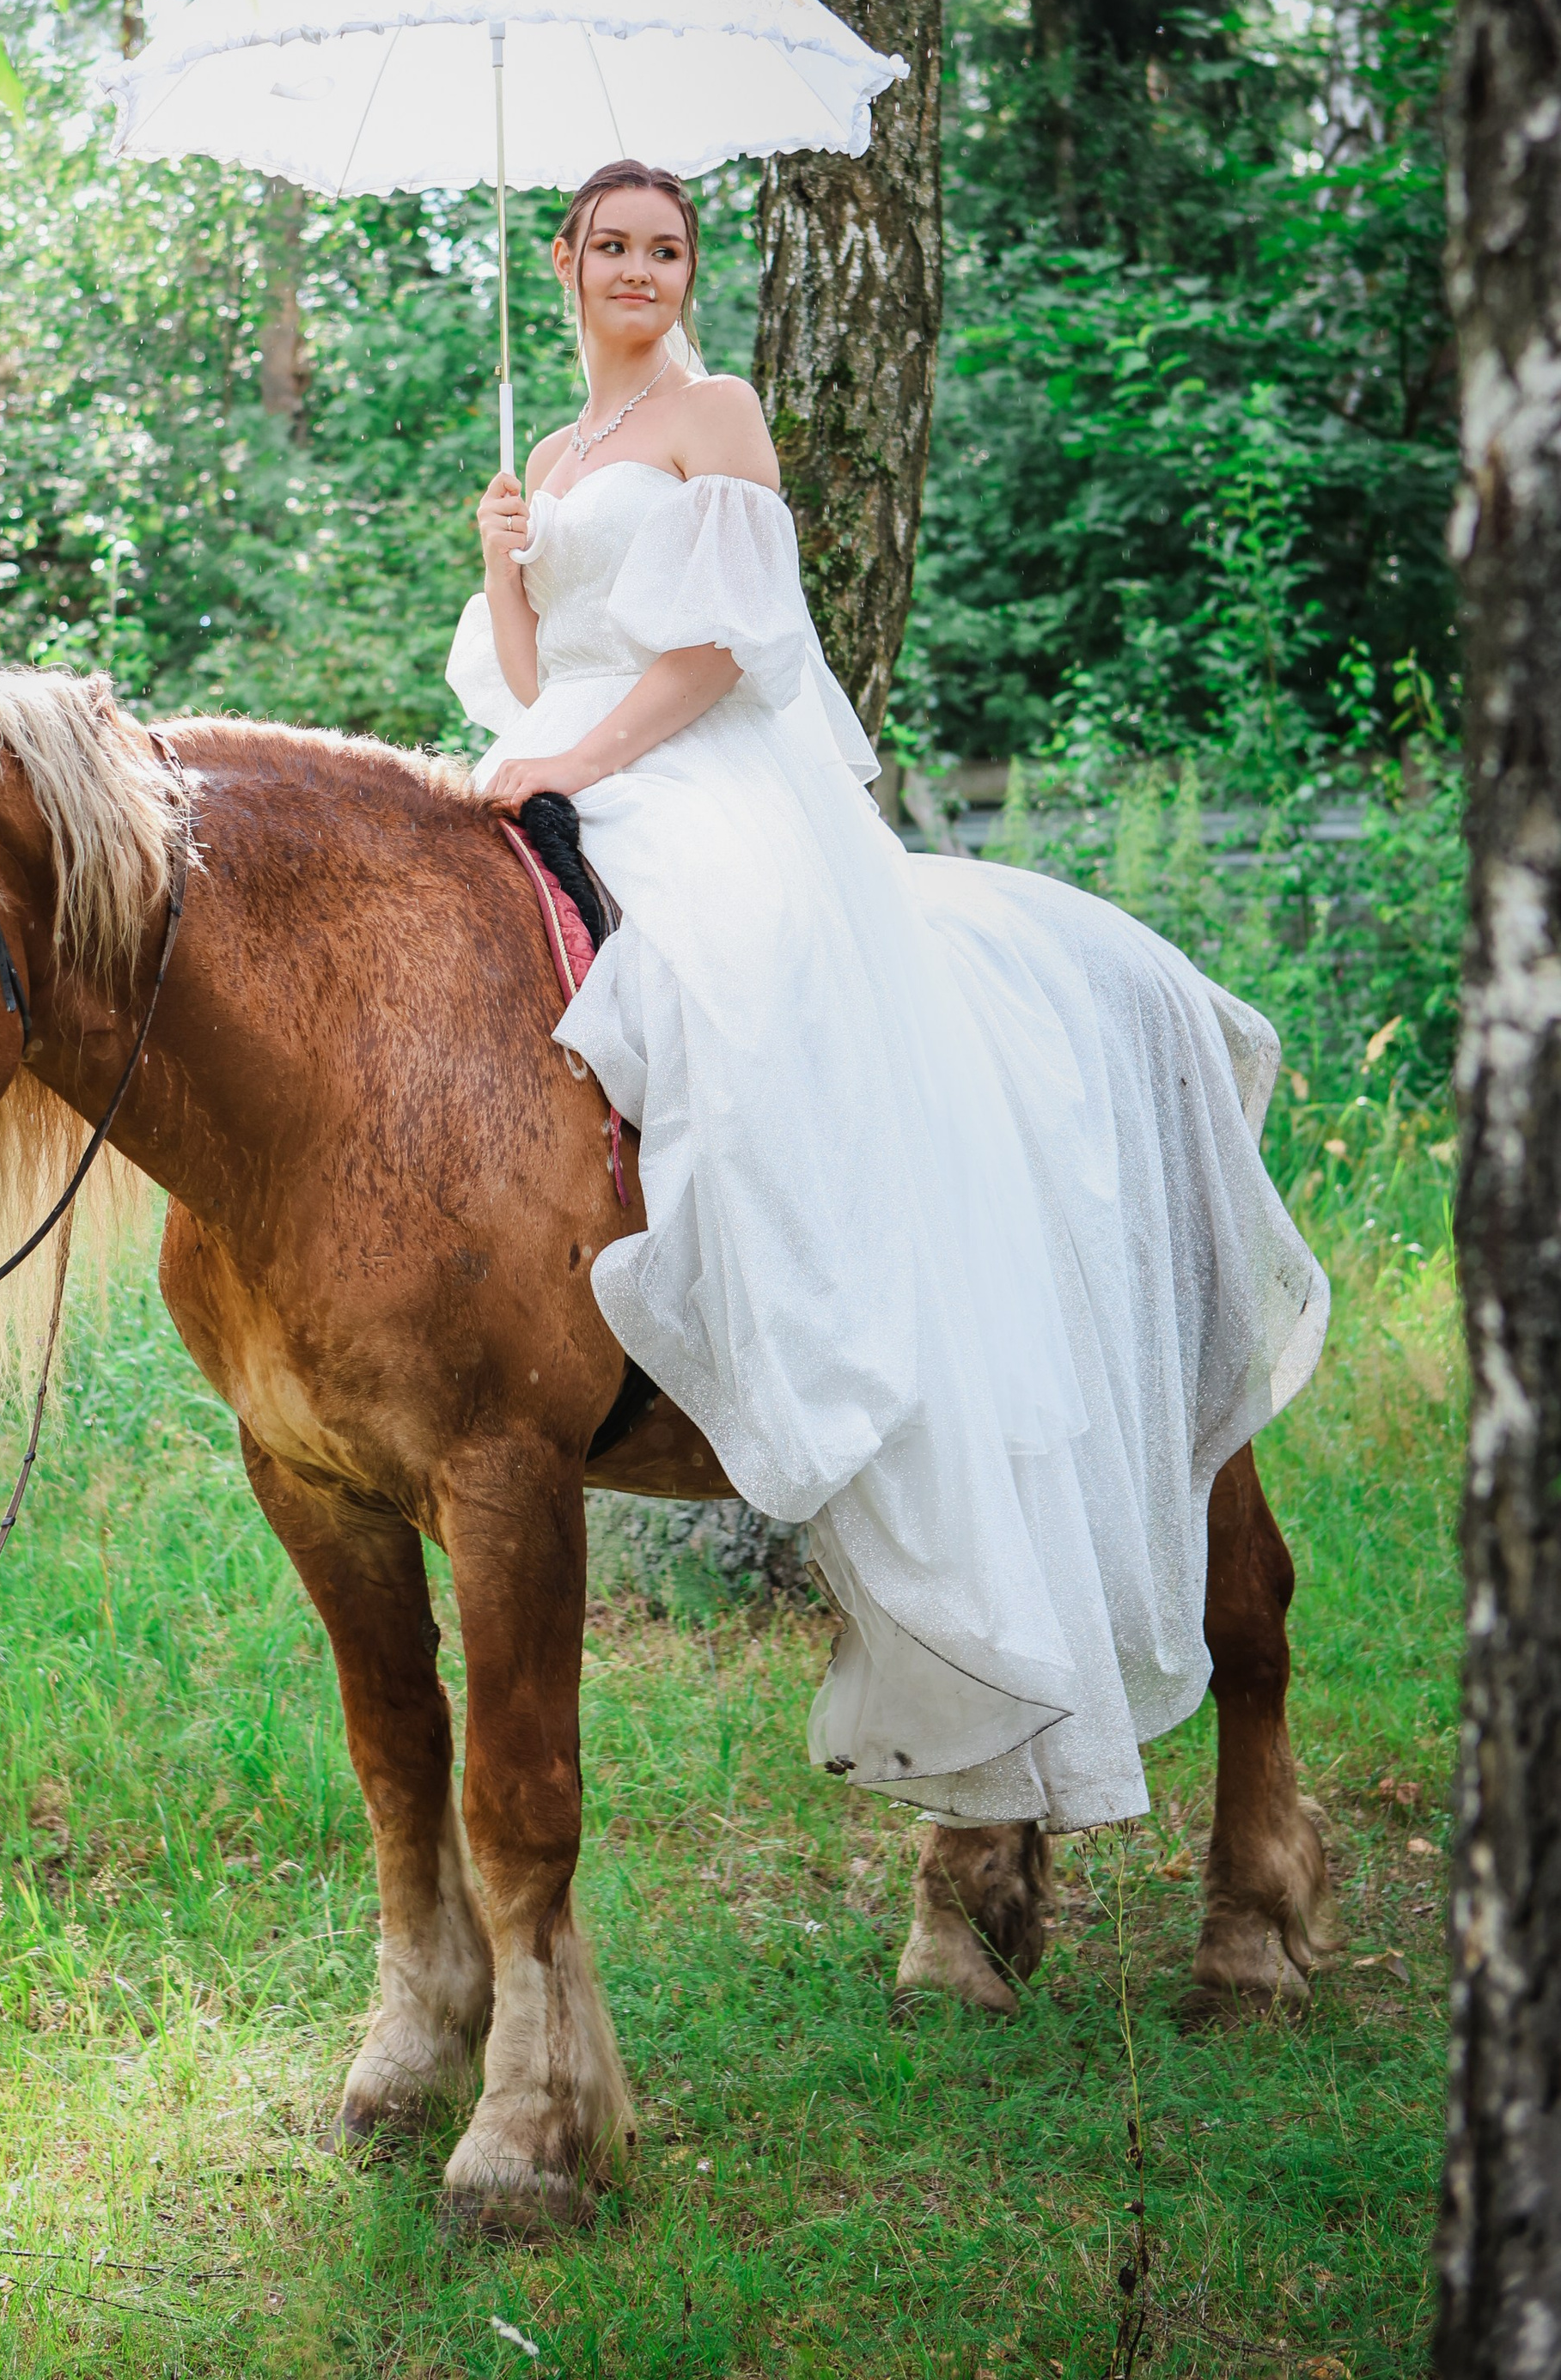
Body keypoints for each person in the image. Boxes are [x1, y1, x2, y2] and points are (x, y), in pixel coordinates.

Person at [446, 159, 1327, 1829]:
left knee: (718, 995)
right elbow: (525, 669)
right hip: (548, 747)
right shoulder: (552, 456)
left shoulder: (715, 416)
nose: (637, 269)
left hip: (687, 769)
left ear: (683, 269)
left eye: (664, 247)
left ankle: (803, 1305)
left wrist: (578, 763)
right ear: (560, 262)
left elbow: (720, 651)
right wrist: (505, 560)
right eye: (609, 244)